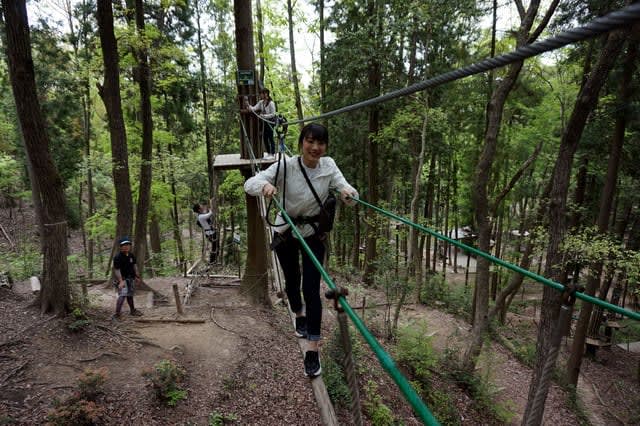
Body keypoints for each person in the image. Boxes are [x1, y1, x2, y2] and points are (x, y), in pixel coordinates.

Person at [244, 123, 358, 377]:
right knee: (292, 280)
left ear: (326, 146)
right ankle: (298, 313)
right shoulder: (286, 165)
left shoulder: (329, 165)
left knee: (312, 288)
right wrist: (264, 187)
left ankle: (313, 348)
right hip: (286, 232)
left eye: (320, 143)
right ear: (301, 143)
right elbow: (251, 182)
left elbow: (347, 189)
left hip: (314, 234)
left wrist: (348, 194)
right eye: (310, 141)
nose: (315, 148)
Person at [112, 236, 143, 320]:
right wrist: (121, 281)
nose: (126, 246)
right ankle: (117, 314)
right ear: (120, 246)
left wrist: (137, 276)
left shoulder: (131, 255)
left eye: (128, 244)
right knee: (122, 295)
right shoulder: (118, 257)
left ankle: (133, 311)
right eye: (124, 245)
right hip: (123, 279)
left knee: (130, 295)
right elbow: (117, 269)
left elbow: (134, 266)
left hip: (131, 279)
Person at [245, 88, 276, 157]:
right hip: (264, 122)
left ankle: (272, 153)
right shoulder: (261, 103)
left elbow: (273, 114)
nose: (260, 95)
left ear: (266, 94)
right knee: (265, 138)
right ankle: (268, 153)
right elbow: (254, 108)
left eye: (261, 94)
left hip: (270, 122)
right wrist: (248, 105)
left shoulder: (271, 103)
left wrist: (264, 116)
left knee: (270, 137)